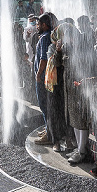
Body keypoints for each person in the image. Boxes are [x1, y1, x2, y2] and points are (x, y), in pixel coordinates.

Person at [33, 13, 53, 143]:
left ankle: (50, 134)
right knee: (47, 105)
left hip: (43, 77)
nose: (37, 26)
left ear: (44, 25)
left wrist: (38, 74)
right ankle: (48, 129)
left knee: (44, 105)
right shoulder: (48, 35)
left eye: (38, 24)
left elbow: (44, 59)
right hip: (47, 77)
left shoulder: (45, 37)